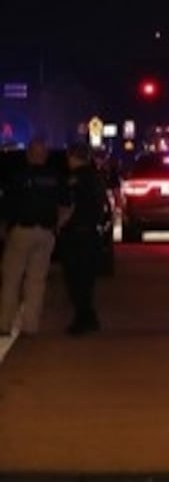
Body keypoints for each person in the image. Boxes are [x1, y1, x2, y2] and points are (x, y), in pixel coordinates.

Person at [0, 137, 71, 337]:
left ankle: (4, 324)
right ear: (45, 155)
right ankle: (30, 326)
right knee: (36, 281)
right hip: (45, 233)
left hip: (21, 231)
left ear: (28, 154)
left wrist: (5, 229)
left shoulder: (18, 176)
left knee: (11, 279)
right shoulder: (55, 177)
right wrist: (56, 226)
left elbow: (6, 205)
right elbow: (67, 206)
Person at [60, 142, 108, 335]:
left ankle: (83, 318)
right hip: (91, 233)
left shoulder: (75, 179)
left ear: (73, 157)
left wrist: (60, 224)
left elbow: (68, 206)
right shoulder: (96, 176)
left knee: (75, 280)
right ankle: (88, 317)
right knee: (86, 280)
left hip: (76, 234)